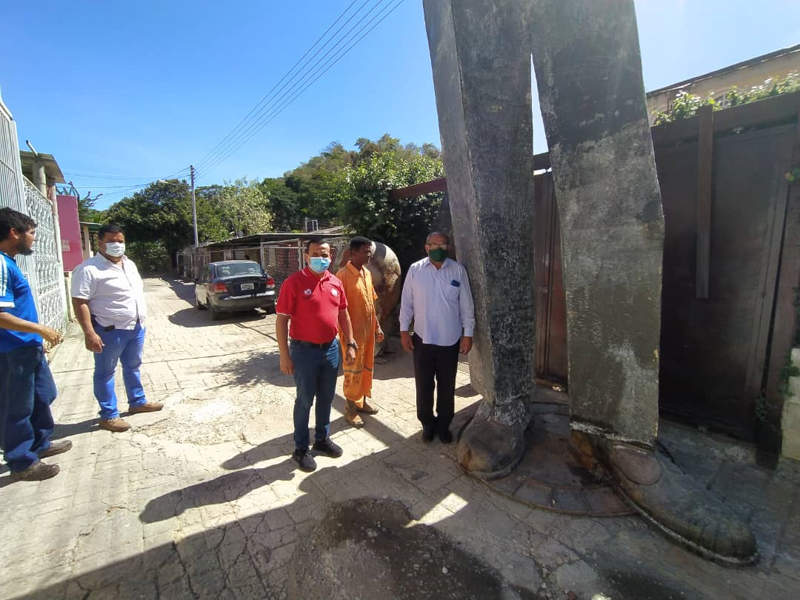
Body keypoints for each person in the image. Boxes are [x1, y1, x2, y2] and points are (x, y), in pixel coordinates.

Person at [276, 237, 358, 472]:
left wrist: (350, 342)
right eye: (315, 254)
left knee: (327, 398)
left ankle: (322, 440)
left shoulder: (335, 282)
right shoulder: (294, 283)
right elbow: (281, 321)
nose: (320, 258)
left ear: (330, 256)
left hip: (331, 349)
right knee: (304, 400)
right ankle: (300, 448)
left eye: (324, 254)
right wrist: (284, 355)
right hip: (304, 352)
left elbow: (344, 314)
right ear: (306, 256)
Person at [71, 224, 162, 433]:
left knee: (133, 366)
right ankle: (109, 415)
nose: (117, 245)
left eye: (120, 241)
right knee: (105, 373)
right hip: (109, 330)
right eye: (112, 241)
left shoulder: (129, 264)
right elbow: (80, 302)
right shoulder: (88, 269)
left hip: (136, 327)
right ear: (100, 243)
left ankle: (137, 402)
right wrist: (89, 333)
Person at [0, 207, 68, 481]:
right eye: (30, 233)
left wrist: (37, 338)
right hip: (12, 349)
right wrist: (41, 329)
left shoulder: (10, 261)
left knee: (44, 394)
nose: (34, 239)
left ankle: (41, 442)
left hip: (28, 347)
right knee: (17, 406)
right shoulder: (1, 264)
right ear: (13, 233)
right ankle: (21, 460)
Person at [400, 232, 475, 443]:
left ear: (448, 247)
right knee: (423, 385)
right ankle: (427, 423)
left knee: (446, 385)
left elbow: (466, 305)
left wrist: (467, 334)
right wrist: (404, 331)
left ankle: (444, 425)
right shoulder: (415, 270)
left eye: (443, 245)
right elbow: (407, 303)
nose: (439, 248)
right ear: (426, 247)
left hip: (449, 341)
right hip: (422, 339)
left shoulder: (458, 270)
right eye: (434, 245)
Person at [336, 236, 384, 427]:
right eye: (365, 251)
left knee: (365, 369)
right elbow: (339, 310)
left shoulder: (367, 273)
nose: (369, 255)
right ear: (353, 253)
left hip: (368, 334)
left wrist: (378, 327)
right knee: (352, 373)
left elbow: (371, 303)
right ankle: (350, 410)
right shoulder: (342, 276)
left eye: (369, 251)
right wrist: (349, 340)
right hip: (351, 337)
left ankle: (362, 402)